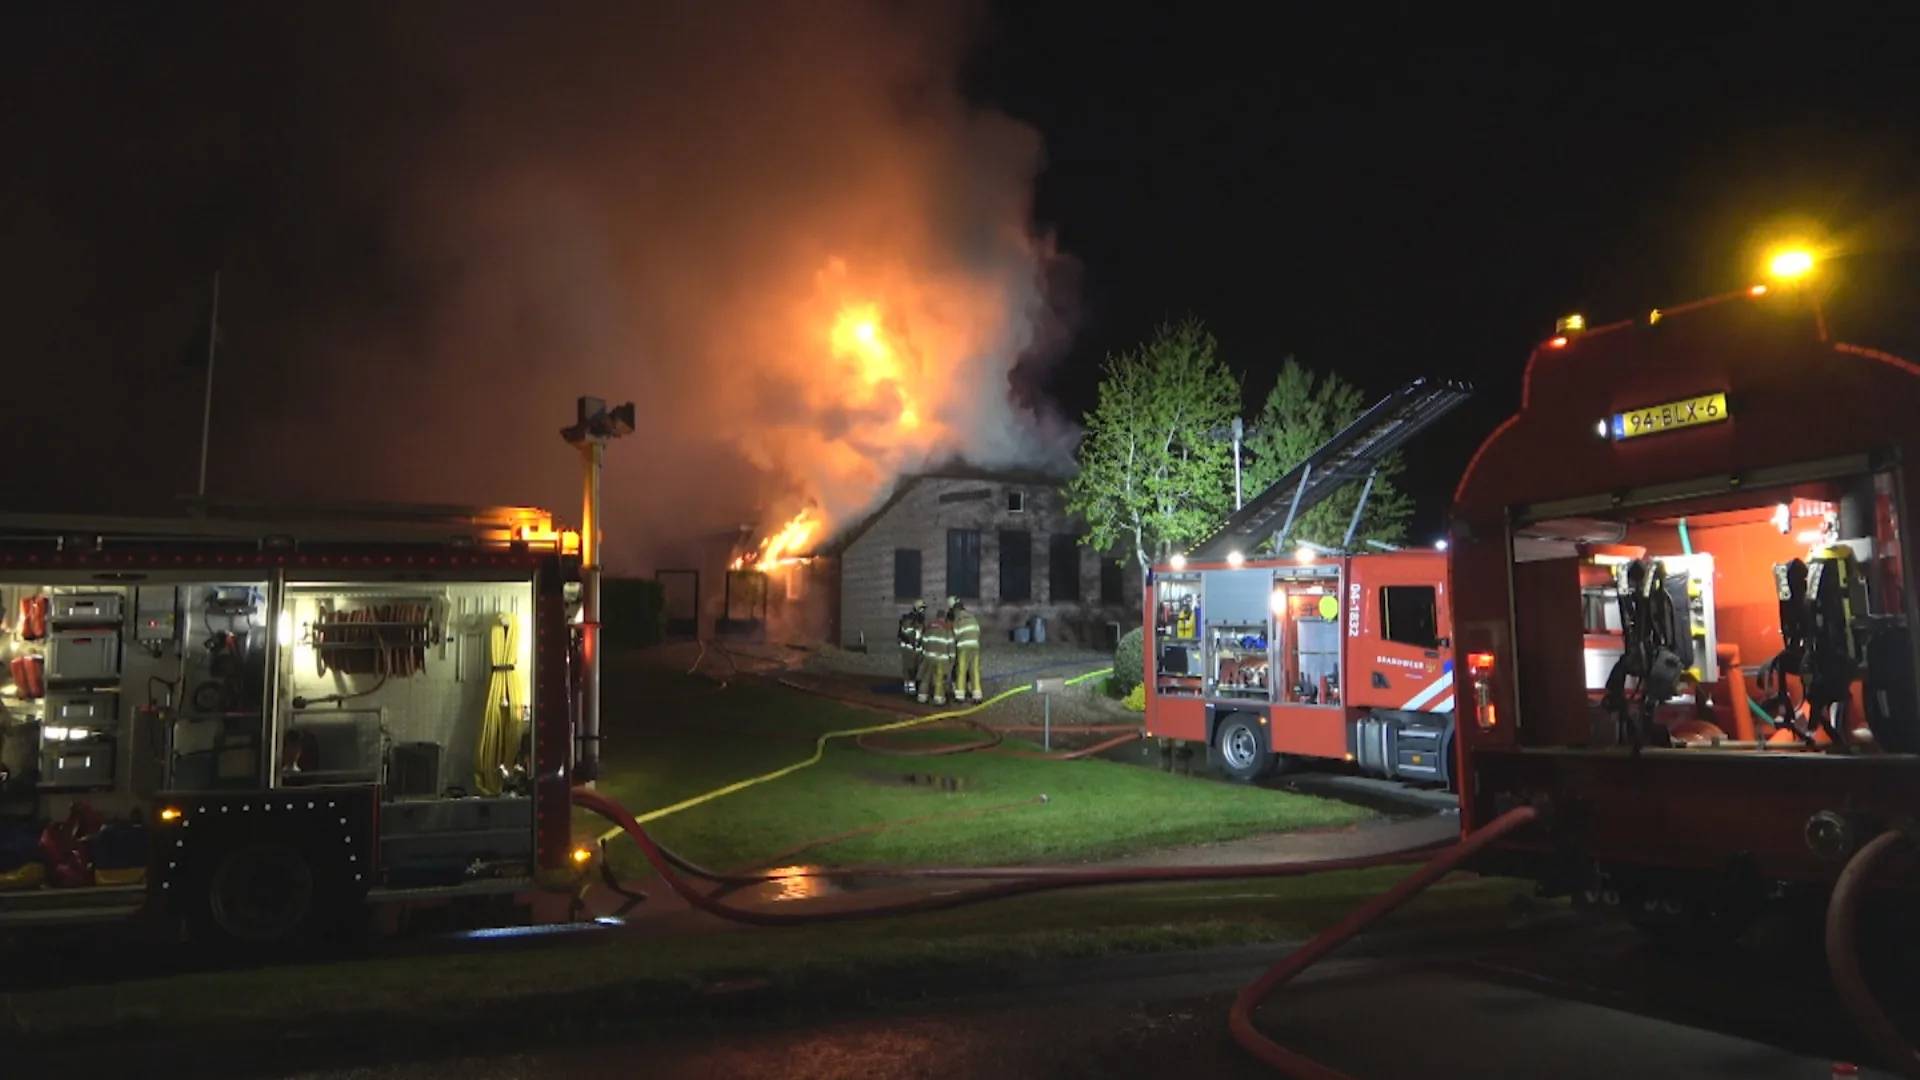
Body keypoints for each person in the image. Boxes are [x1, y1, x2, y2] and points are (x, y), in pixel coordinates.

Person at [917, 604, 955, 705]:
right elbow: (951, 645)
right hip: (941, 659)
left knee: (926, 677)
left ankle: (922, 696)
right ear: (944, 618)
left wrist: (923, 654)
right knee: (939, 678)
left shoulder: (929, 628)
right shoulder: (947, 629)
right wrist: (952, 658)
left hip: (928, 657)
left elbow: (923, 642)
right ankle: (938, 698)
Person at [950, 597, 983, 703]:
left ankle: (960, 695)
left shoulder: (958, 620)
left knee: (961, 670)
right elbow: (978, 631)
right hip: (975, 646)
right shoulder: (972, 617)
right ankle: (977, 695)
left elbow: (955, 635)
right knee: (975, 671)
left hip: (963, 647)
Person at [897, 599, 926, 696]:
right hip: (908, 648)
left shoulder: (920, 620)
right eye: (922, 608)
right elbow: (908, 634)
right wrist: (914, 643)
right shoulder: (909, 620)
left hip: (916, 648)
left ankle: (911, 685)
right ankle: (908, 686)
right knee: (909, 667)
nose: (923, 611)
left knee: (915, 667)